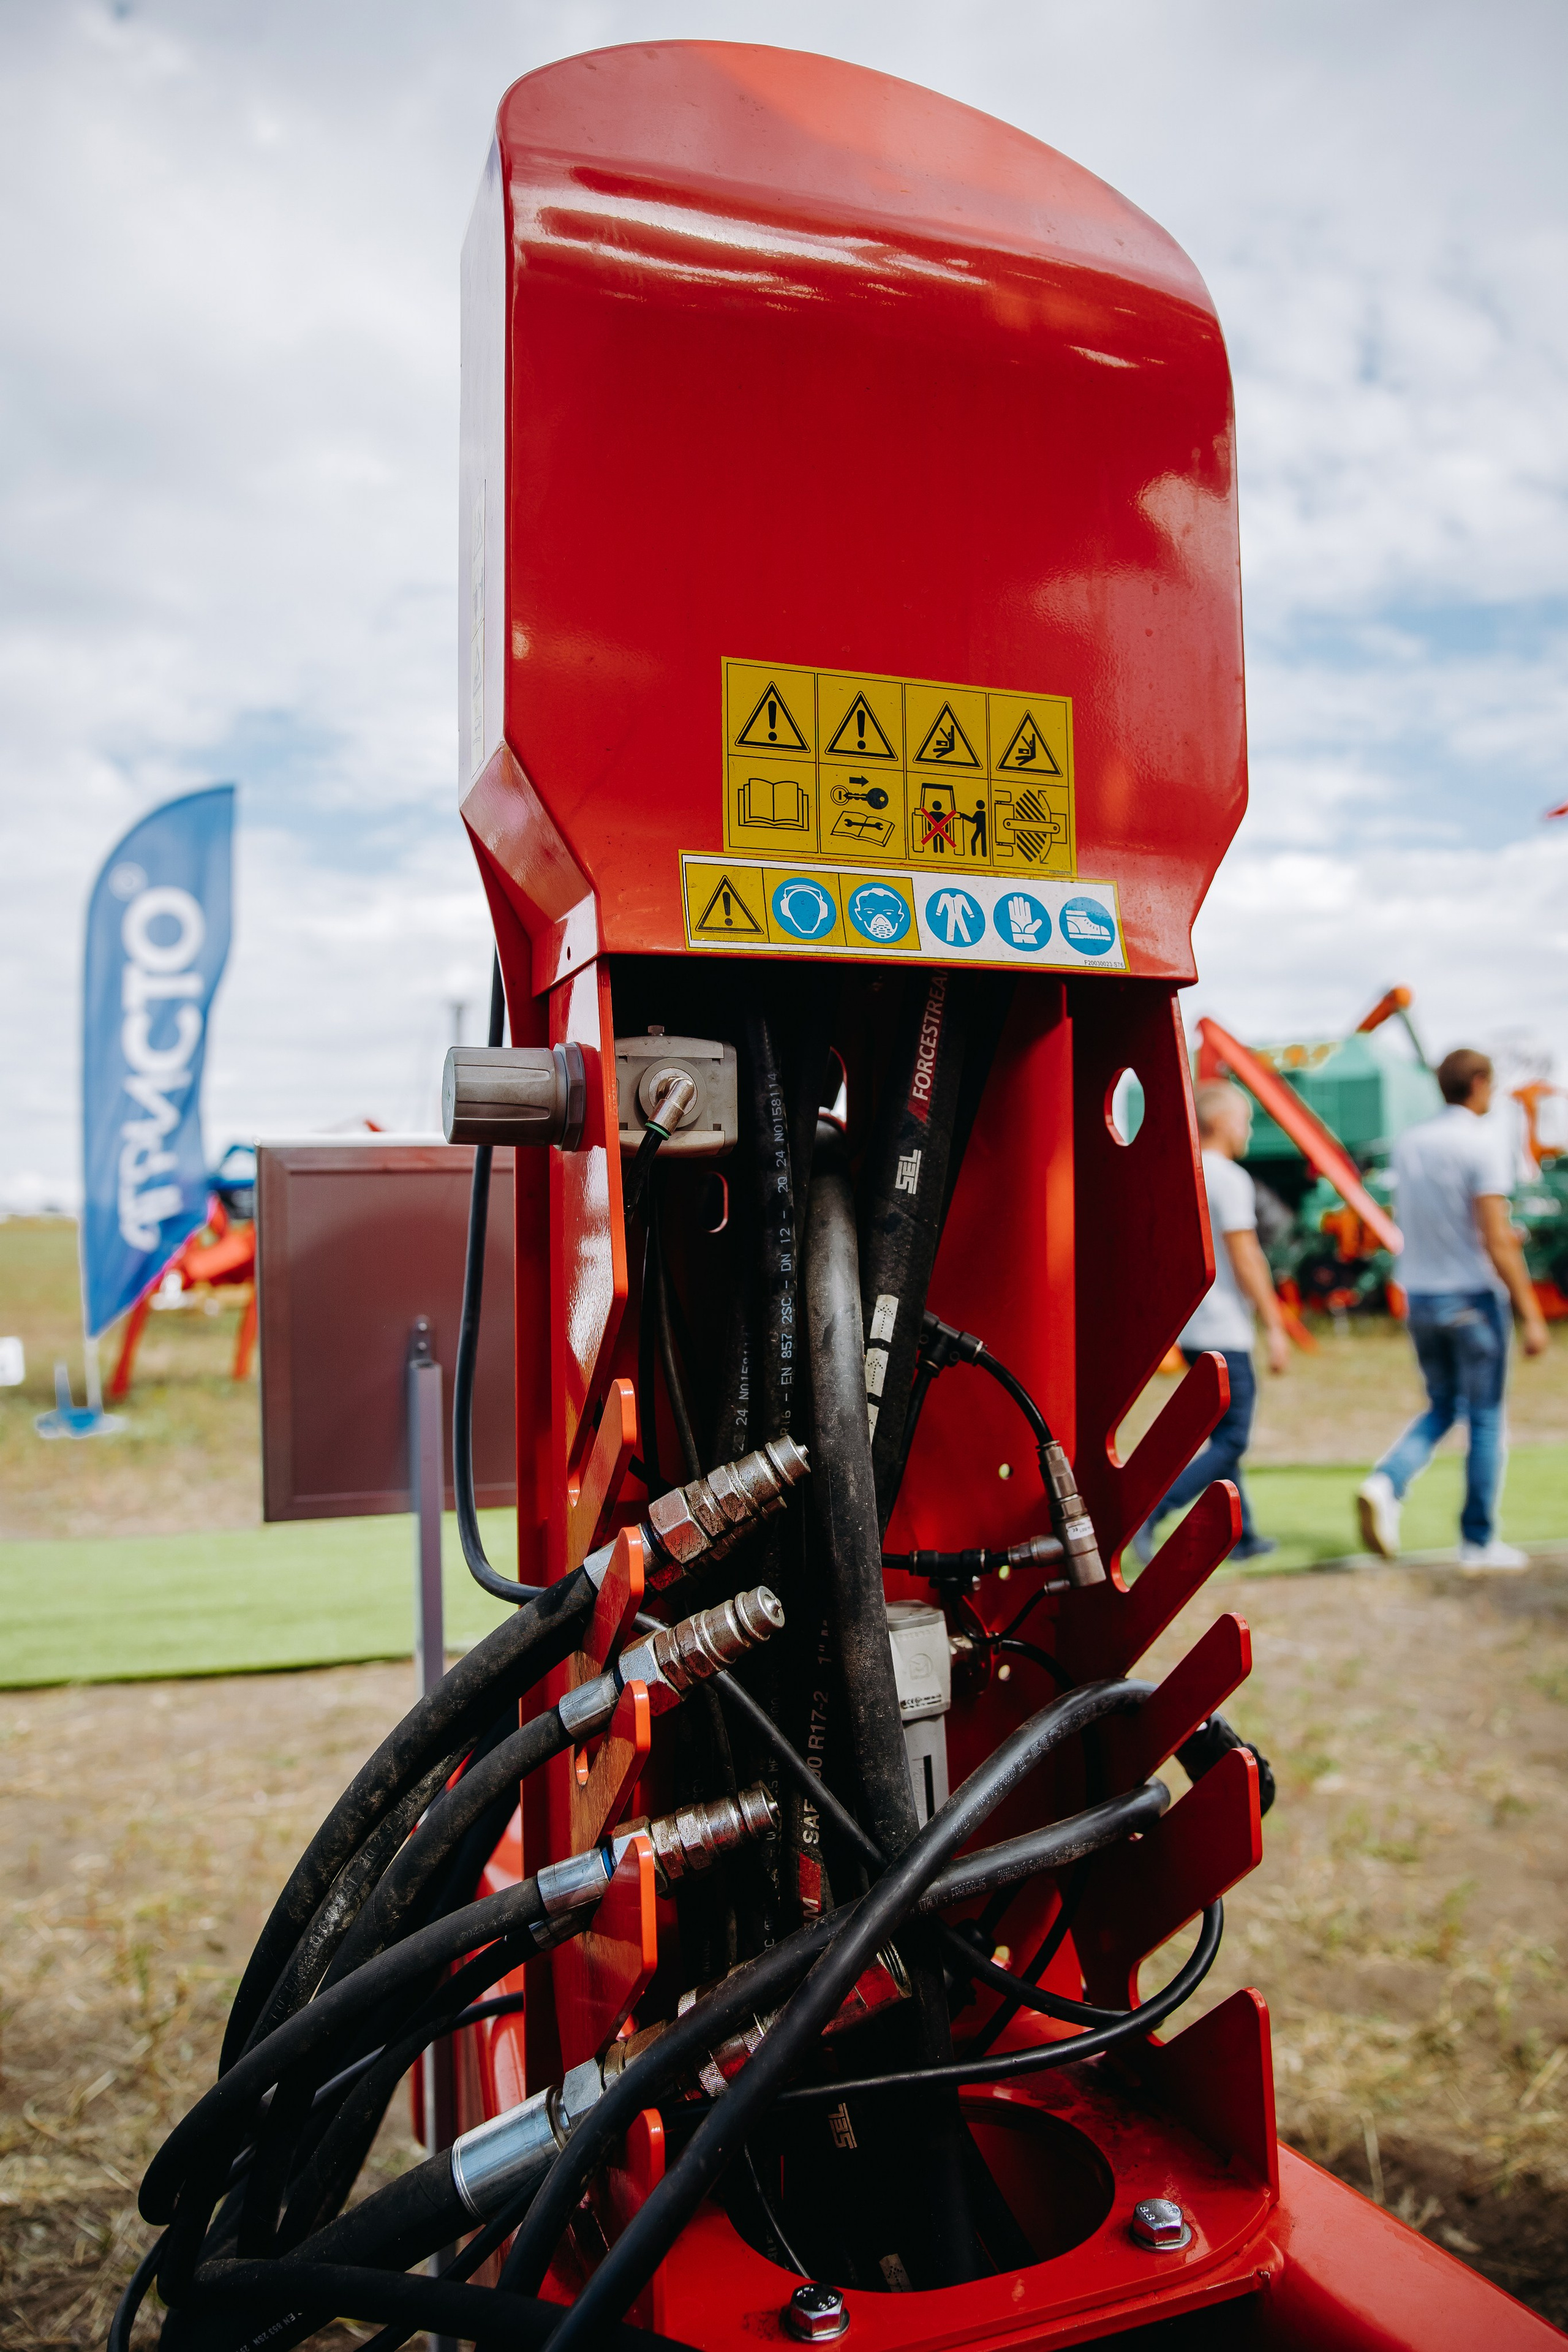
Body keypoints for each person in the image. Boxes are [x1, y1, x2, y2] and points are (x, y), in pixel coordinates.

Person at [1358, 1048, 1548, 1570]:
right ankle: (1478, 1541)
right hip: (1471, 1297)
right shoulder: (1481, 1144)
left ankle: (1387, 1481)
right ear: (1480, 1084)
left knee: (1443, 1406)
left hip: (1419, 1294)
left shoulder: (1410, 1143)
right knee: (1485, 1418)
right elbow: (1497, 1238)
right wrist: (1532, 1313)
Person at [1139, 1079, 1289, 1564]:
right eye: (1246, 1119)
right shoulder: (1228, 1176)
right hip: (1227, 1327)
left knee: (1223, 1432)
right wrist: (1276, 1324)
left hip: (1192, 1327)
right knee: (1234, 1438)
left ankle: (1238, 1536)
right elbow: (1246, 1257)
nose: (1248, 1129)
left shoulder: (1180, 1172)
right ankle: (1153, 1513)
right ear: (1222, 1122)